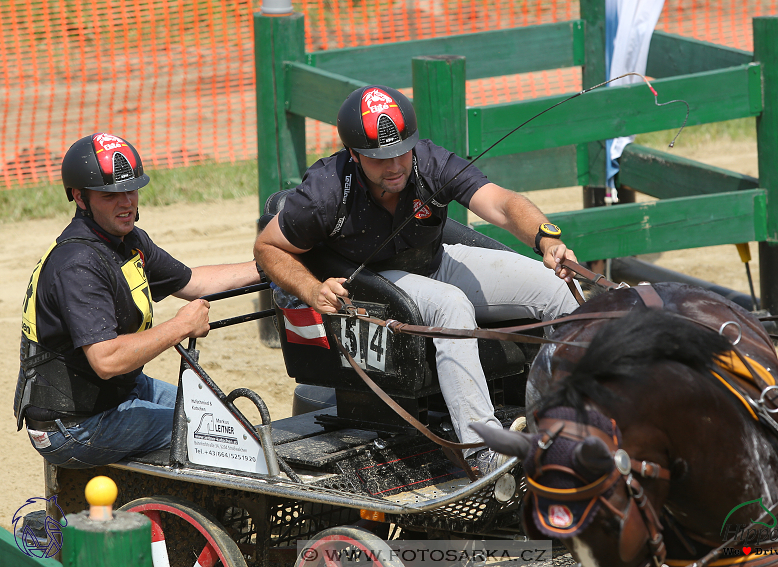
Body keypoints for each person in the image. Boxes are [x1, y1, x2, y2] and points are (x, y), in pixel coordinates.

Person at [254, 86, 581, 454]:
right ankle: (483, 450)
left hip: (435, 261)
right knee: (451, 305)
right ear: (354, 155)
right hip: (374, 280)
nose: (394, 166)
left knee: (557, 289)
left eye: (401, 153)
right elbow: (267, 247)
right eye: (380, 158)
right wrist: (312, 289)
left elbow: (502, 204)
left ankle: (572, 424)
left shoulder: (430, 161)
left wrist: (546, 239)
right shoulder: (325, 192)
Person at [15, 133, 261, 468]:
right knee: (212, 436)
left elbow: (194, 282)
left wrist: (269, 267)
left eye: (131, 190)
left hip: (116, 394)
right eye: (110, 195)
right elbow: (107, 360)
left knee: (226, 419)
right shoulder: (78, 264)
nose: (126, 202)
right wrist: (180, 326)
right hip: (71, 427)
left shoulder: (127, 241)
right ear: (80, 198)